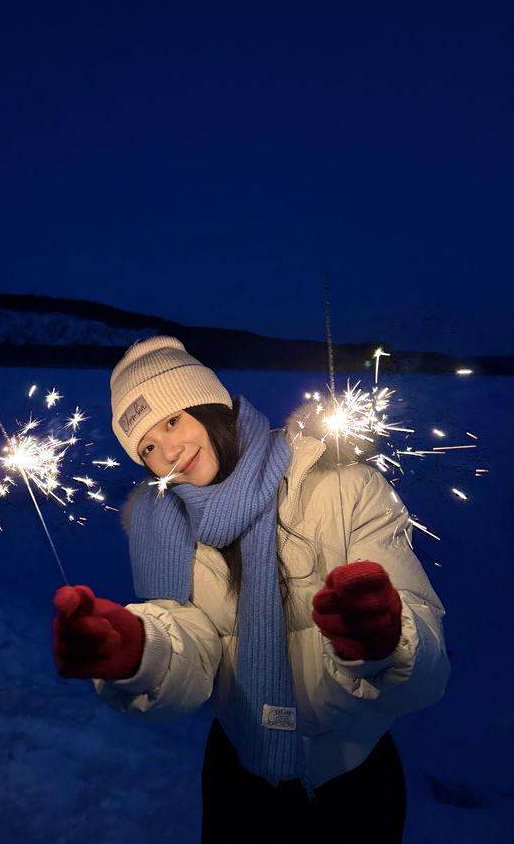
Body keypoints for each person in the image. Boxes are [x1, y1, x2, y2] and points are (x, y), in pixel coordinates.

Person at [53, 336, 450, 843]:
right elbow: (191, 646)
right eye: (146, 446)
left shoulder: (342, 485)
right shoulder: (160, 526)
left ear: (209, 404)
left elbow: (427, 667)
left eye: (172, 421)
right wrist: (137, 649)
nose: (168, 453)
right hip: (237, 778)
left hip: (354, 779)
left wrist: (385, 636)